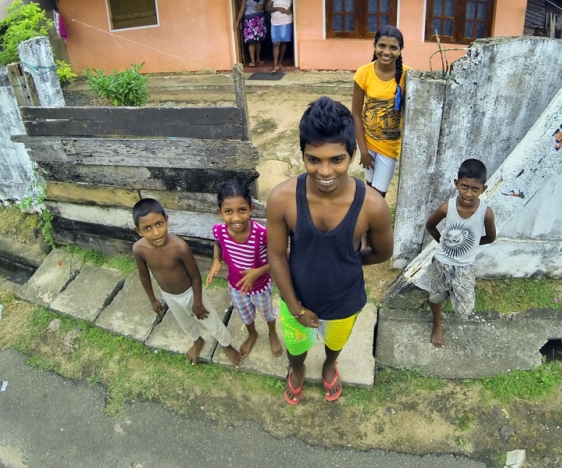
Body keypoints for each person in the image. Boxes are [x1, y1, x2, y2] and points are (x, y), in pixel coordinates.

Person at [267, 96, 393, 404]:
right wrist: (296, 308)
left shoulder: (373, 206)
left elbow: (382, 253)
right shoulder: (282, 199)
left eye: (336, 159)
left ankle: (327, 366)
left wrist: (347, 260)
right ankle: (296, 371)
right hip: (294, 297)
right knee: (296, 348)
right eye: (314, 159)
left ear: (352, 154)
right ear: (303, 154)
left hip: (344, 302)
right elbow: (276, 255)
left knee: (335, 344)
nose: (325, 171)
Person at [132, 198, 244, 367]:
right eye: (147, 228)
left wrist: (198, 302)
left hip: (191, 293)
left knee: (210, 320)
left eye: (159, 224)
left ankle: (226, 344)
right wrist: (153, 299)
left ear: (167, 220)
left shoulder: (180, 247)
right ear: (138, 231)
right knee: (184, 322)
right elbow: (144, 276)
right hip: (169, 295)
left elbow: (195, 276)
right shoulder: (139, 249)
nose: (155, 232)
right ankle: (197, 340)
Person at [422, 159, 497, 348]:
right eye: (464, 186)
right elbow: (430, 225)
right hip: (441, 261)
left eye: (475, 189)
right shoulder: (447, 207)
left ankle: (453, 294)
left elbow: (491, 237)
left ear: (483, 189)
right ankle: (437, 323)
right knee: (436, 295)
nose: (468, 193)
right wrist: (443, 242)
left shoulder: (485, 213)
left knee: (465, 309)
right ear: (457, 184)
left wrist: (470, 246)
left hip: (465, 265)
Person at [207, 179, 283, 358]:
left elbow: (281, 256)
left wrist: (259, 271)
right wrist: (216, 259)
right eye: (228, 212)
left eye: (242, 210)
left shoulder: (261, 233)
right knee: (245, 315)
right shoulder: (219, 230)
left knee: (267, 313)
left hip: (261, 287)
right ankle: (252, 333)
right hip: (236, 287)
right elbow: (217, 244)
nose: (235, 218)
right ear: (220, 212)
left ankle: (272, 332)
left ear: (251, 209)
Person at [351, 25, 410, 199]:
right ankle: (366, 224)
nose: (386, 51)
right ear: (375, 46)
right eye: (382, 46)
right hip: (367, 143)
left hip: (389, 146)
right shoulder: (363, 73)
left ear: (400, 50)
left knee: (378, 194)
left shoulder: (408, 76)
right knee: (369, 188)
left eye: (393, 47)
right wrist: (363, 151)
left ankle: (373, 224)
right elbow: (355, 113)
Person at [235, 0, 266, 67]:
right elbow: (241, 9)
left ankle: (258, 58)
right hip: (250, 22)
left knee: (258, 41)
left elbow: (265, 5)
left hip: (260, 20)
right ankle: (252, 61)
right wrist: (237, 22)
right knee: (251, 41)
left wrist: (262, 7)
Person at [265, 0, 293, 72]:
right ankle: (275, 64)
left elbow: (293, 8)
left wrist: (289, 10)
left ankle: (280, 61)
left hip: (286, 22)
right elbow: (267, 8)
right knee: (276, 43)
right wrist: (278, 8)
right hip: (275, 23)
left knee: (284, 43)